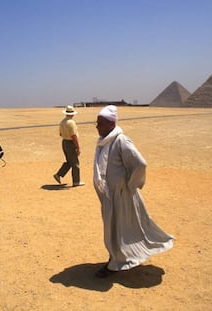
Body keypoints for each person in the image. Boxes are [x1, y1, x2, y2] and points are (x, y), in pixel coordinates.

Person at [93, 105, 174, 278]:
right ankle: (116, 258)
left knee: (116, 229)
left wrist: (130, 185)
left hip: (121, 196)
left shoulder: (121, 140)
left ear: (112, 123)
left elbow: (140, 164)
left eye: (101, 123)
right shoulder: (104, 141)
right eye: (97, 122)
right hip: (110, 196)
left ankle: (113, 262)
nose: (97, 126)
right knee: (114, 228)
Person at [53, 106, 84, 187]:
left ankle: (59, 174)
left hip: (64, 142)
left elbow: (60, 134)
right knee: (75, 163)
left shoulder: (62, 122)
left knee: (70, 161)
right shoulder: (71, 122)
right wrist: (78, 147)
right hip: (70, 143)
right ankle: (76, 181)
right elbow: (74, 136)